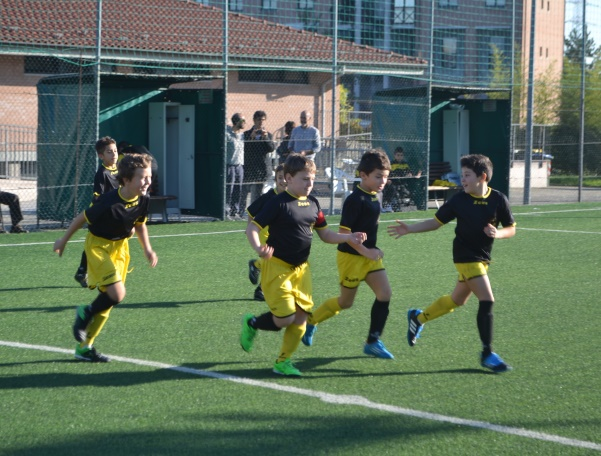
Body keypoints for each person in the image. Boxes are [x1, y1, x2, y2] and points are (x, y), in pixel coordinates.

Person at [387, 154, 516, 373]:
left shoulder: (498, 199)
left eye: (467, 175)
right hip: (465, 257)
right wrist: (410, 228)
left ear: (482, 177)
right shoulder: (458, 200)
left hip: (483, 258)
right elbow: (435, 222)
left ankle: (418, 318)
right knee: (487, 300)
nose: (462, 180)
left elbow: (511, 228)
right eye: (462, 175)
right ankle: (487, 353)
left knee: (457, 300)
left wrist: (498, 234)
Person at [240, 153, 366, 377]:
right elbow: (253, 227)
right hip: (277, 267)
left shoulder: (313, 204)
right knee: (284, 318)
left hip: (302, 270)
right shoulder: (277, 203)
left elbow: (325, 235)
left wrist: (348, 238)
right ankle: (253, 323)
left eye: (312, 179)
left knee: (301, 317)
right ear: (288, 178)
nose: (310, 184)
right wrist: (259, 248)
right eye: (304, 179)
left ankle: (283, 362)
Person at [53, 153, 158, 363]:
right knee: (117, 294)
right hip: (98, 247)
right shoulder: (109, 201)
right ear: (126, 179)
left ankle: (85, 347)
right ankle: (85, 313)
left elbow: (139, 224)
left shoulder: (144, 199)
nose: (147, 182)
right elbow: (82, 217)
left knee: (108, 303)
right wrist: (63, 240)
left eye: (149, 177)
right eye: (142, 177)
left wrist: (147, 249)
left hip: (120, 249)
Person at [302, 149, 395, 359]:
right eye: (378, 176)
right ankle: (311, 321)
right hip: (351, 257)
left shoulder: (375, 195)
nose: (383, 181)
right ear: (363, 175)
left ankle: (372, 341)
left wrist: (372, 251)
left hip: (368, 257)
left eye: (385, 177)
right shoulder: (354, 200)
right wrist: (367, 251)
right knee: (345, 303)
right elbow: (344, 233)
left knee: (385, 294)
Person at [74, 136, 120, 288]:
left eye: (115, 151)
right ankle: (89, 272)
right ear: (101, 156)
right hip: (102, 213)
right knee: (96, 242)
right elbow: (97, 197)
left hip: (114, 213)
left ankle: (82, 271)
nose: (114, 154)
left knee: (99, 242)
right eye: (109, 152)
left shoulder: (119, 169)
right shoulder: (102, 173)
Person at [246, 164, 287, 302]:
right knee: (274, 261)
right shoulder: (269, 197)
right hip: (265, 235)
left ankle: (256, 265)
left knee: (275, 262)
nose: (283, 181)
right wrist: (250, 229)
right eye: (280, 178)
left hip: (280, 236)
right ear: (275, 180)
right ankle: (260, 291)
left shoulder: (292, 197)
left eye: (286, 177)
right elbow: (251, 211)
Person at [241, 110, 276, 208]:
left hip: (262, 168)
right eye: (258, 120)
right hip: (249, 168)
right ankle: (239, 212)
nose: (261, 122)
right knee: (243, 193)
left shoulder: (268, 134)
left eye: (263, 120)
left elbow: (271, 148)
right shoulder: (247, 134)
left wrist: (265, 138)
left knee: (258, 194)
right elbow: (244, 149)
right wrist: (251, 138)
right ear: (254, 120)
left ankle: (256, 212)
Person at [382, 146, 421, 212]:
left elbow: (409, 172)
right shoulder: (391, 164)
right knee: (394, 191)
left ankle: (412, 205)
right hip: (393, 183)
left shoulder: (405, 164)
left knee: (408, 191)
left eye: (401, 155)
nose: (399, 157)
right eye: (398, 155)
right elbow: (388, 174)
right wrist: (388, 179)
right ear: (394, 155)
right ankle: (390, 206)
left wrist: (410, 174)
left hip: (403, 183)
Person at [226, 113, 246, 219]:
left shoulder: (242, 135)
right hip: (230, 165)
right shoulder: (227, 134)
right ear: (236, 122)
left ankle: (235, 210)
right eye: (242, 121)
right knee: (229, 188)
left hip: (240, 165)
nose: (244, 123)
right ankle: (227, 211)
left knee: (238, 189)